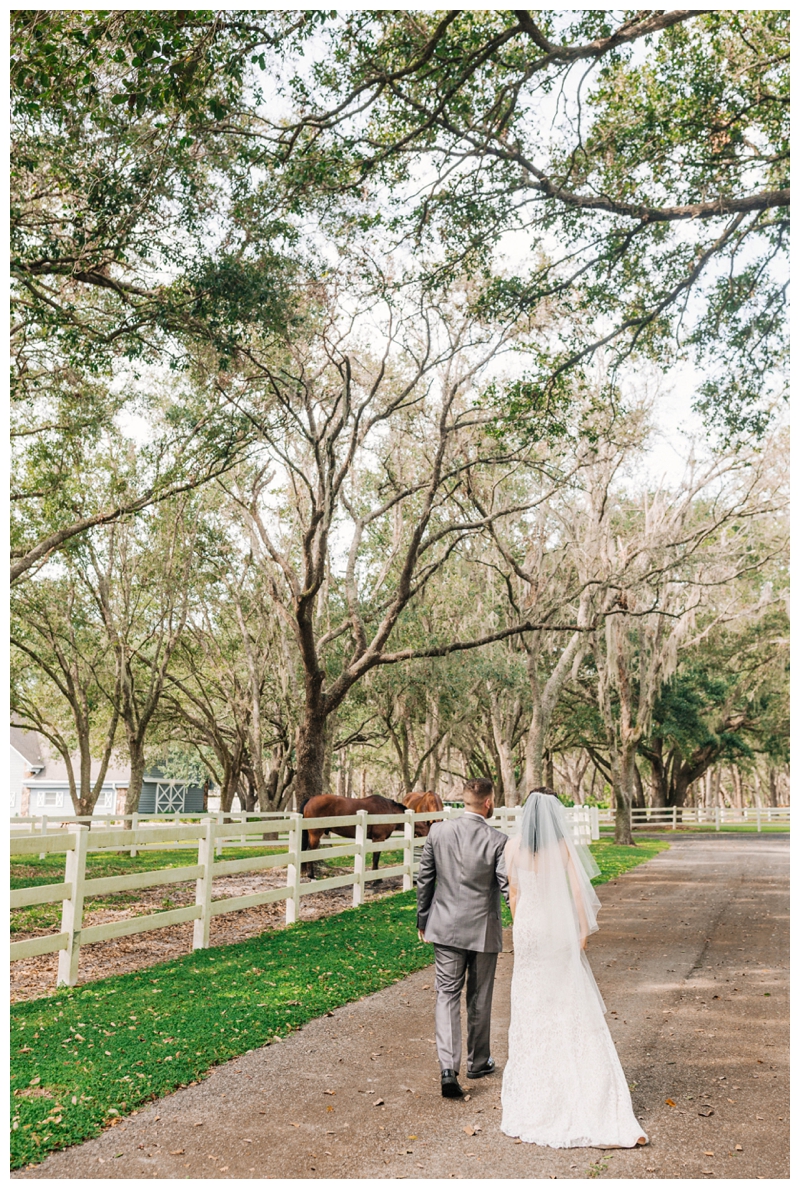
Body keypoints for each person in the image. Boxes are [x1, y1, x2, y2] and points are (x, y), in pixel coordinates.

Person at [501, 787, 648, 1148]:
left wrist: (522, 927)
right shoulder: (562, 846)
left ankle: (536, 1097)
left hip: (529, 931)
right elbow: (579, 893)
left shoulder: (512, 846)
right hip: (556, 929)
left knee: (531, 1006)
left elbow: (513, 894)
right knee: (567, 1001)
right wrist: (582, 929)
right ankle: (583, 1091)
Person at [415, 778, 509, 1098]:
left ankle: (447, 1068)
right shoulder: (498, 841)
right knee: (479, 997)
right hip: (484, 930)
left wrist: (423, 919)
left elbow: (425, 879)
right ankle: (478, 1062)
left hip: (444, 927)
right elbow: (508, 888)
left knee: (447, 994)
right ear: (487, 803)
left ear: (465, 800)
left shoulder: (438, 831)